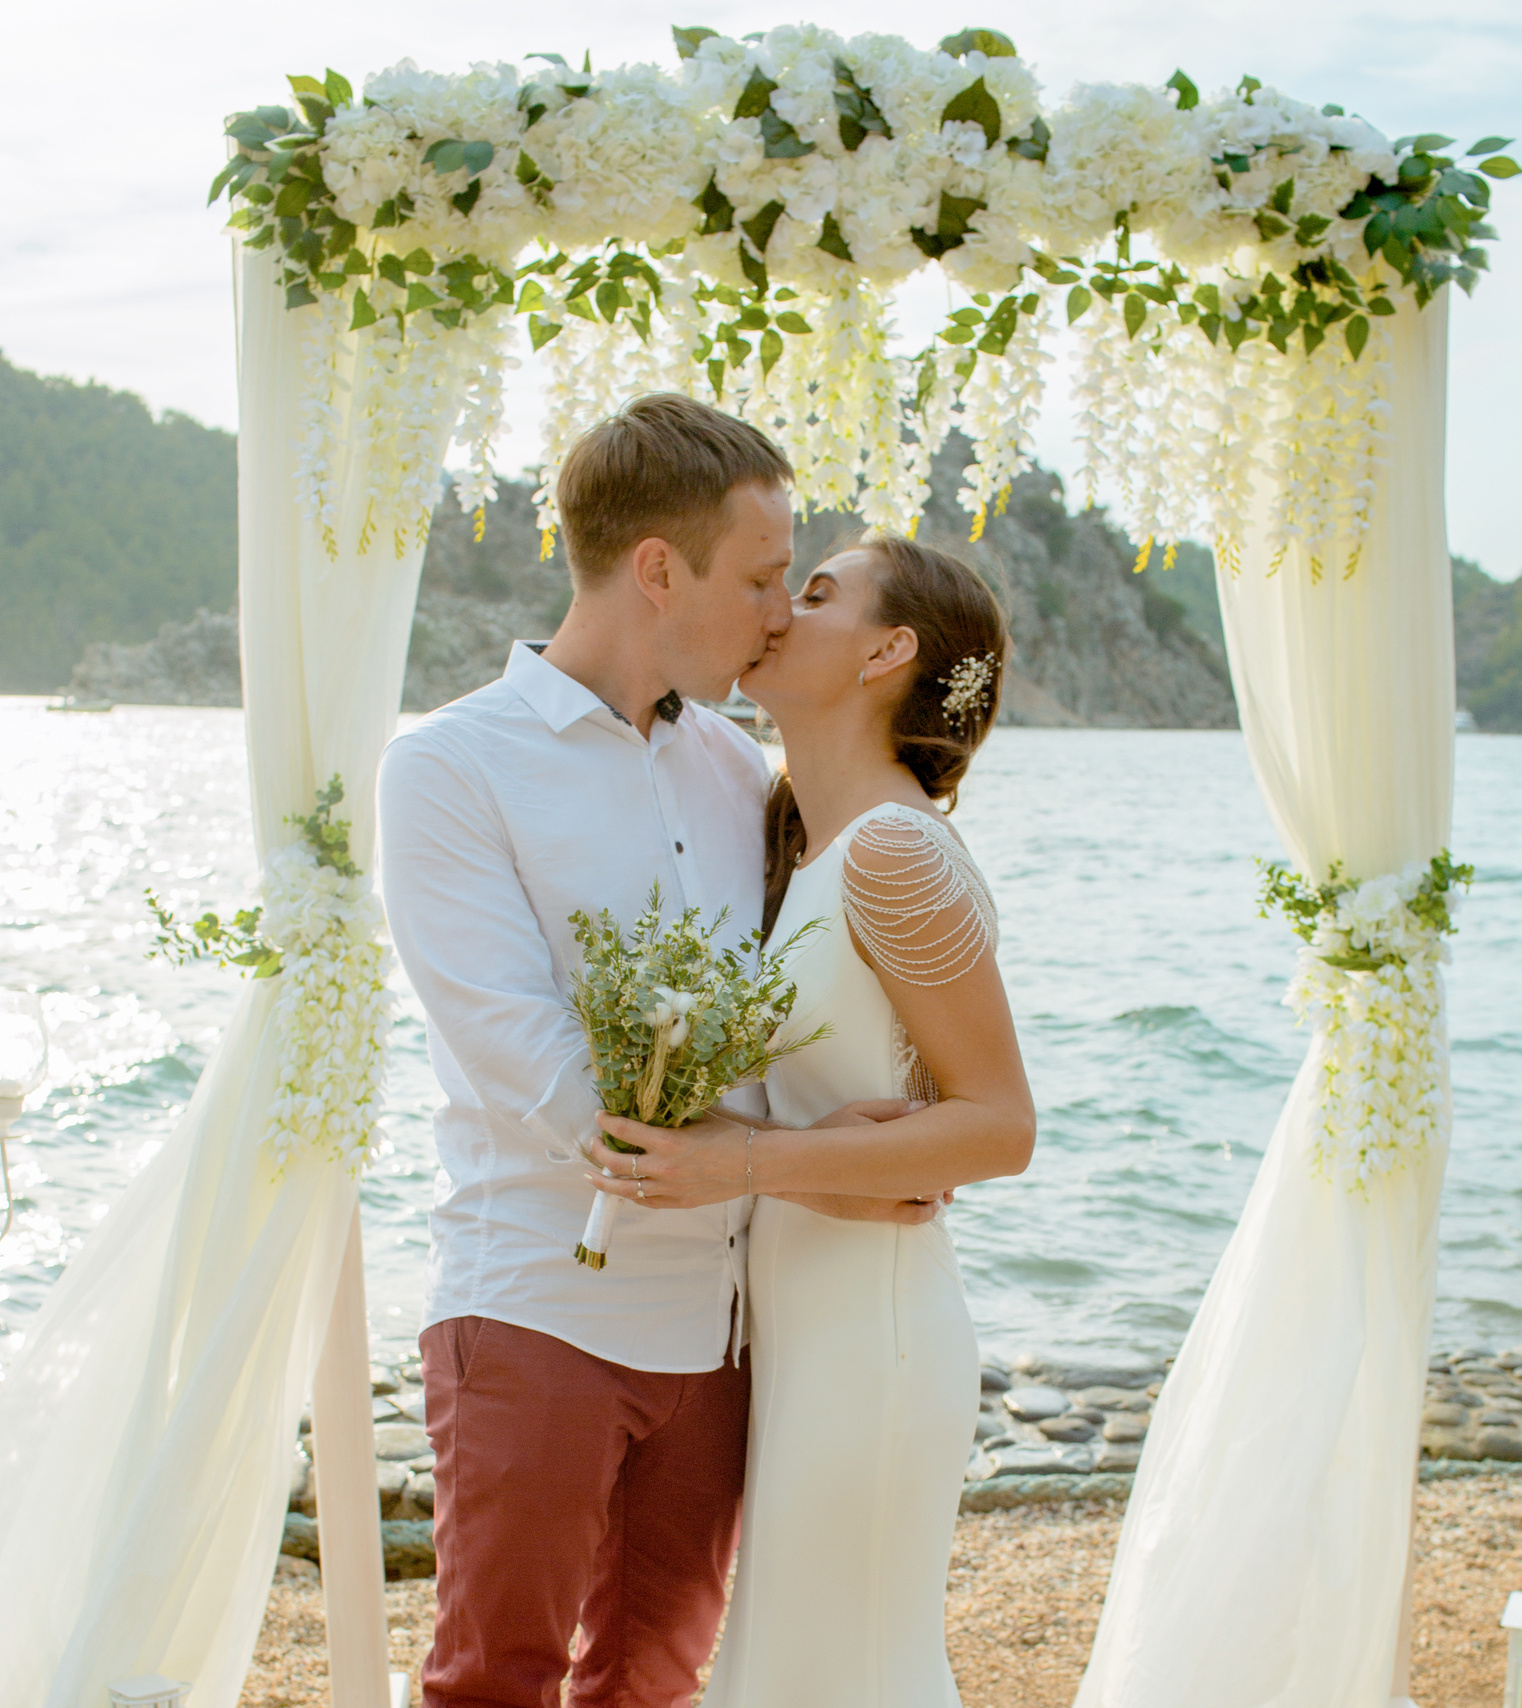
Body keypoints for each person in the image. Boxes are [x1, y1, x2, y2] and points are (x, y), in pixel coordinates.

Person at [377, 395, 938, 1708]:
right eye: (755, 577)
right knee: (493, 1680)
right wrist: (785, 1167)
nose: (775, 614)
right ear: (655, 570)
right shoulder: (451, 768)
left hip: (717, 1330)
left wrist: (861, 1133)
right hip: (533, 1305)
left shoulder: (738, 773)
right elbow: (520, 1054)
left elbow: (785, 1014)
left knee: (653, 1682)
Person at [588, 533, 1036, 1705]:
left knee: (843, 1671)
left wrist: (735, 1162)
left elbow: (1001, 1125)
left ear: (890, 650)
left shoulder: (892, 850)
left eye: (820, 592)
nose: (783, 605)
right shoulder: (816, 850)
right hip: (807, 1328)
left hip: (872, 1340)